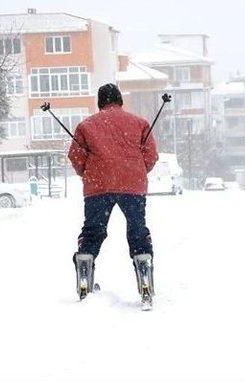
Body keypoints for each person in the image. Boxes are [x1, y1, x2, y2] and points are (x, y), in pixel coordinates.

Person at [67, 83, 158, 309]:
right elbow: (151, 155)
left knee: (93, 230)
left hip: (98, 185)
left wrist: (90, 173)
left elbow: (76, 157)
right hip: (132, 184)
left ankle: (85, 274)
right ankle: (144, 274)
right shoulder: (139, 123)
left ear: (100, 102)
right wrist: (135, 171)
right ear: (120, 100)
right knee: (137, 230)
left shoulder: (86, 126)